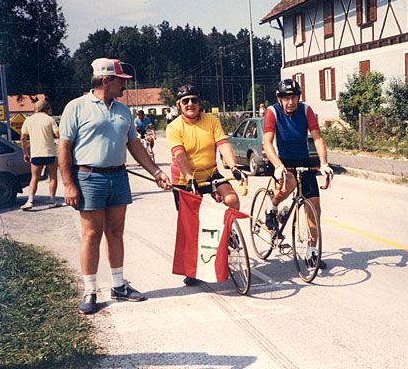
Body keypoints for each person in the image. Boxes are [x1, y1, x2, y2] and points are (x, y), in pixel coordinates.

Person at [58, 58, 172, 314]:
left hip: (119, 177)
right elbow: (63, 148)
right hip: (89, 178)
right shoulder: (75, 107)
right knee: (91, 234)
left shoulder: (123, 109)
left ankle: (119, 285)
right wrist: (68, 184)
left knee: (116, 232)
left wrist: (156, 172)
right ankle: (90, 290)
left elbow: (134, 145)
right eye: (121, 80)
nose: (124, 86)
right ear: (107, 80)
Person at [166, 84, 246, 286]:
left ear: (200, 103)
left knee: (232, 199)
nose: (190, 104)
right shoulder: (174, 127)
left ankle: (227, 234)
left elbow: (223, 144)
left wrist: (233, 167)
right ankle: (193, 270)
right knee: (191, 226)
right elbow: (179, 154)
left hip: (210, 173)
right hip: (185, 179)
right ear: (179, 105)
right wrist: (188, 176)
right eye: (186, 101)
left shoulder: (211, 120)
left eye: (194, 100)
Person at [262, 79, 334, 269]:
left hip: (303, 160)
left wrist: (324, 163)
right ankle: (272, 207)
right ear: (279, 98)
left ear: (298, 97)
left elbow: (317, 138)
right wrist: (277, 165)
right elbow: (268, 143)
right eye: (286, 98)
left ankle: (311, 253)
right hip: (281, 161)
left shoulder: (306, 110)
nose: (290, 102)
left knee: (315, 209)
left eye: (293, 97)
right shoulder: (272, 112)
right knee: (290, 184)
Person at [20, 99, 60, 210]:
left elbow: (23, 138)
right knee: (53, 178)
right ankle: (52, 200)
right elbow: (57, 134)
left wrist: (26, 153)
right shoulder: (50, 119)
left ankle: (30, 201)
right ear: (46, 108)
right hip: (50, 152)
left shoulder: (29, 120)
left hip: (36, 153)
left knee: (34, 178)